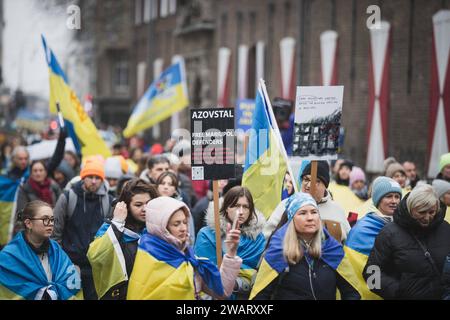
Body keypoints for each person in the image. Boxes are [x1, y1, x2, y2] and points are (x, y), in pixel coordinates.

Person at [126, 196, 242, 300]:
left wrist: (231, 253)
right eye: (176, 224)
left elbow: (222, 292)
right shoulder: (148, 257)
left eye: (185, 222)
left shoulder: (188, 256)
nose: (183, 228)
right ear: (162, 228)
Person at [251, 192, 360, 300]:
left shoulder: (332, 249)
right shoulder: (278, 249)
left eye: (314, 212)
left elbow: (352, 293)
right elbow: (260, 296)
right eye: (302, 213)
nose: (310, 218)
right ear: (292, 219)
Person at [363, 185, 450, 299]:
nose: (427, 217)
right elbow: (370, 274)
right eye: (421, 212)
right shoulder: (389, 233)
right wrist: (398, 292)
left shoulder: (445, 229)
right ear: (410, 208)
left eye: (431, 212)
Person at [52, 159, 113, 300]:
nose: (93, 181)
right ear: (83, 178)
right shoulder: (68, 197)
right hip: (71, 263)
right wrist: (60, 260)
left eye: (98, 178)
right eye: (90, 177)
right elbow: (56, 231)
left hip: (96, 266)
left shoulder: (108, 201)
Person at [87, 179, 159, 300]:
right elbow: (95, 256)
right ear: (126, 206)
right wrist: (117, 223)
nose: (145, 209)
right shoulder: (110, 228)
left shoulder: (157, 228)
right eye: (138, 205)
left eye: (149, 203)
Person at [0, 200, 81, 300]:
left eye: (52, 219)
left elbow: (70, 281)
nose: (50, 224)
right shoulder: (8, 256)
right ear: (28, 223)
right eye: (45, 219)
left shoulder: (56, 250)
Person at [195, 186, 266, 300]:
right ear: (227, 207)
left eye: (246, 207)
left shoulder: (258, 238)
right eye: (237, 206)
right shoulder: (207, 235)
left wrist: (239, 282)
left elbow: (261, 275)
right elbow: (205, 276)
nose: (241, 212)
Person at [264, 161, 350, 242]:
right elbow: (266, 236)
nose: (309, 185)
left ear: (325, 186)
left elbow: (347, 243)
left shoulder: (337, 210)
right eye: (306, 179)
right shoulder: (287, 205)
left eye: (317, 181)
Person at [345, 176, 402, 299]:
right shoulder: (362, 228)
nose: (394, 201)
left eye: (397, 197)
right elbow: (363, 269)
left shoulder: (403, 225)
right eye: (389, 196)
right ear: (378, 199)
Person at [15, 160, 62, 233]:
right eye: (35, 171)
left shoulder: (54, 186)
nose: (38, 173)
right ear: (31, 173)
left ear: (45, 172)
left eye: (41, 170)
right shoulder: (24, 189)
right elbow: (22, 213)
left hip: (53, 227)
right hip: (33, 230)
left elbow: (60, 208)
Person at [156, 171, 196, 243]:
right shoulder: (151, 206)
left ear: (175, 190)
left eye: (170, 184)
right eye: (162, 183)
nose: (165, 187)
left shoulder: (182, 207)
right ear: (157, 186)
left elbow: (190, 235)